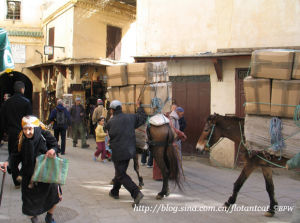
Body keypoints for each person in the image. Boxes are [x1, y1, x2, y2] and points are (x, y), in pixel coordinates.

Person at [1, 116, 60, 223]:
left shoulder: (44, 135)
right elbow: (15, 155)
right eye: (25, 129)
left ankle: (49, 217)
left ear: (35, 128)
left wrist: (52, 150)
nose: (27, 132)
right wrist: (8, 163)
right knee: (29, 203)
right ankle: (34, 220)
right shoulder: (21, 139)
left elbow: (55, 145)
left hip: (45, 173)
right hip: (29, 175)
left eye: (30, 129)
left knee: (55, 196)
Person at [106, 99, 146, 206]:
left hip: (119, 152)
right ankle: (115, 192)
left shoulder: (111, 122)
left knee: (120, 174)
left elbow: (106, 129)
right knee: (120, 171)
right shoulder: (130, 117)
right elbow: (142, 118)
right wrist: (139, 106)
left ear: (112, 110)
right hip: (130, 151)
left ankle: (136, 193)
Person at [0, 81, 32, 188]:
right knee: (26, 155)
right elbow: (29, 119)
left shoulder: (6, 103)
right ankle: (22, 174)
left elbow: (2, 120)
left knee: (12, 157)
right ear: (22, 89)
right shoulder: (26, 102)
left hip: (12, 134)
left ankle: (16, 181)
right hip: (24, 133)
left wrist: (5, 132)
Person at [169, 107, 187, 173]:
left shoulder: (175, 118)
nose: (182, 115)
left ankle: (177, 170)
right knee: (176, 156)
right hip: (175, 141)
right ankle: (176, 171)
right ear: (178, 112)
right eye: (181, 114)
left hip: (177, 140)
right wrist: (174, 141)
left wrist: (180, 133)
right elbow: (172, 130)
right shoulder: (172, 118)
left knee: (178, 156)